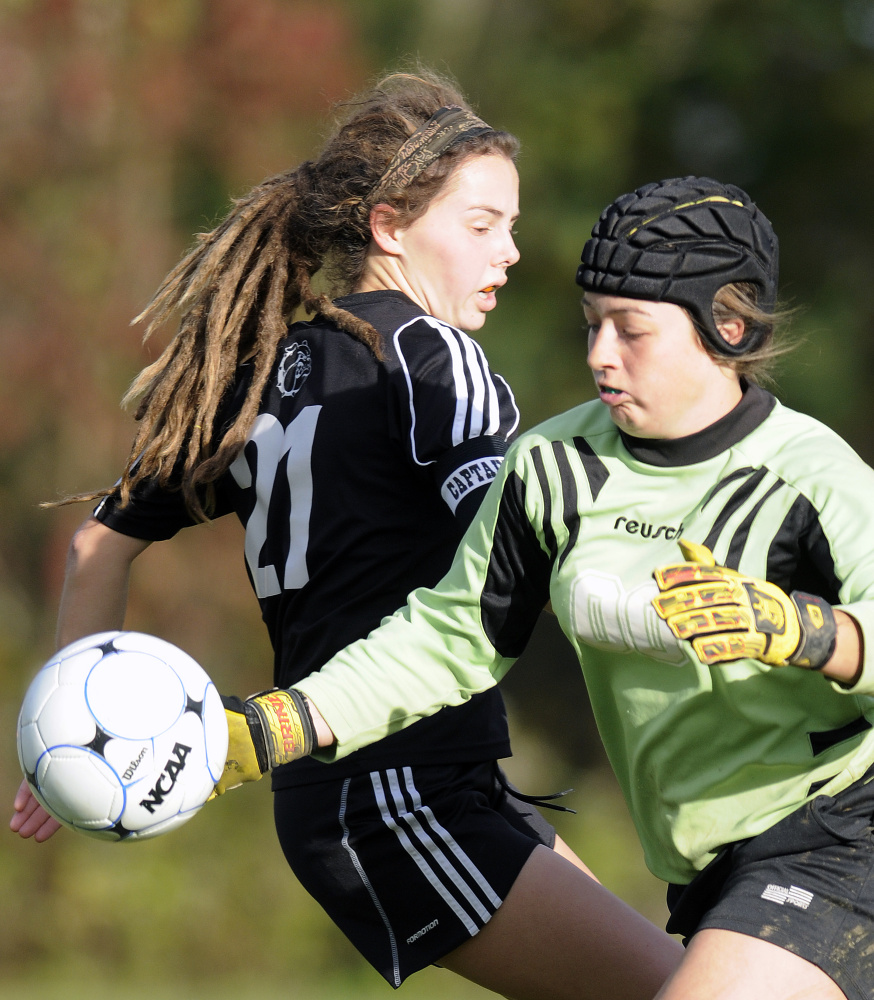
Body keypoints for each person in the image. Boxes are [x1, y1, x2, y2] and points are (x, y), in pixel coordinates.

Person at [11, 70, 683, 999]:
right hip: (403, 791)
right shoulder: (433, 358)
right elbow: (528, 561)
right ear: (389, 226)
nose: (511, 252)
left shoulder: (252, 377)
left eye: (513, 226)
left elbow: (97, 546)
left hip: (370, 789)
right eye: (482, 224)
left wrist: (72, 725)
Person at [213, 176, 874, 1000]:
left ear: (727, 328)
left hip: (843, 829)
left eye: (630, 332)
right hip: (712, 870)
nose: (599, 353)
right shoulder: (552, 469)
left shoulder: (811, 475)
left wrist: (812, 632)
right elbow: (447, 639)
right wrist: (282, 723)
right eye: (592, 323)